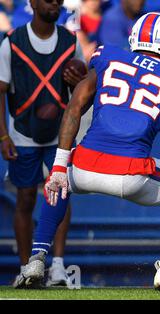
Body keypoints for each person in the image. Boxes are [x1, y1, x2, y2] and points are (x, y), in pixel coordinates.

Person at [14, 12, 160, 291]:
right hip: (131, 173)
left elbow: (74, 107)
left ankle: (36, 259)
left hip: (84, 167)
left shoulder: (108, 57)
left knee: (58, 183)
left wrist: (59, 164)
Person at [0, 0, 85, 288]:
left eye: (58, 0)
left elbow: (84, 89)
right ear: (33, 3)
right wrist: (2, 135)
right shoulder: (12, 42)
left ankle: (58, 267)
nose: (54, 3)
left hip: (59, 134)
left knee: (60, 195)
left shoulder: (71, 41)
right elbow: (0, 91)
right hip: (23, 133)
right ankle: (27, 269)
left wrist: (78, 79)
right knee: (25, 199)